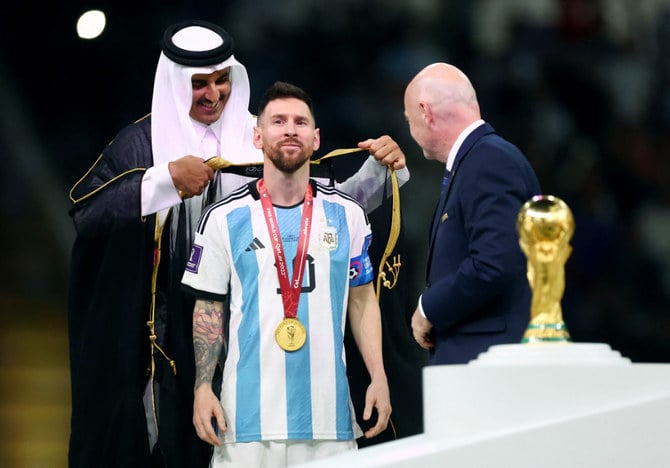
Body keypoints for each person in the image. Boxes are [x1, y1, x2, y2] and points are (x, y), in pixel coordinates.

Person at [67, 20, 407, 468]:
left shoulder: (261, 134)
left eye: (221, 80)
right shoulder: (141, 145)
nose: (213, 94)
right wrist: (165, 179)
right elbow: (87, 212)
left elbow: (324, 208)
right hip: (168, 338)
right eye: (198, 84)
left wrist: (385, 172)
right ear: (173, 82)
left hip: (257, 335)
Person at [182, 81, 392, 467]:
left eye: (300, 122)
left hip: (329, 423)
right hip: (243, 423)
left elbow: (362, 299)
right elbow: (208, 306)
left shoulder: (348, 215)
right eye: (278, 121)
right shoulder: (222, 218)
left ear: (316, 139)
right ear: (258, 137)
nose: (290, 129)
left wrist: (378, 376)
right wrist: (202, 387)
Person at [404, 62, 542, 365]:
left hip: (488, 365)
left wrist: (429, 308)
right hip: (482, 363)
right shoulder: (479, 161)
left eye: (408, 118)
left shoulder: (488, 161)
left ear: (425, 112)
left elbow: (494, 263)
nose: (410, 129)